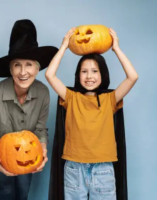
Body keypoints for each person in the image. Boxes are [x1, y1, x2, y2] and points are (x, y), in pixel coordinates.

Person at [46, 27, 138, 200]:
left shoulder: (110, 99)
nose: (89, 76)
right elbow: (50, 75)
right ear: (78, 75)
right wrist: (64, 46)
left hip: (103, 168)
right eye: (84, 71)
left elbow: (132, 77)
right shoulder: (70, 97)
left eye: (95, 71)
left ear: (103, 74)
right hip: (74, 168)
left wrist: (116, 49)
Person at [0, 19, 58, 200]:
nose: (23, 72)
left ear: (37, 69)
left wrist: (42, 150)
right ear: (10, 69)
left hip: (27, 148)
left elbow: (39, 130)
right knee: (6, 190)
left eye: (29, 65)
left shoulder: (43, 92)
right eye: (17, 65)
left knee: (22, 192)